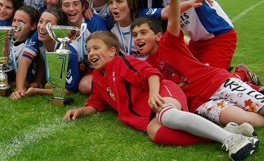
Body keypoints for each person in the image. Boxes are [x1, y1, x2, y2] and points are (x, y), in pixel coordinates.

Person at [63, 31, 258, 160]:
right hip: (146, 114)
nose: (91, 53)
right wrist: (80, 110)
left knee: (166, 114)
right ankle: (229, 133)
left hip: (164, 90)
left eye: (96, 48)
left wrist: (154, 94)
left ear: (113, 51)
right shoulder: (97, 77)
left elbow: (151, 73)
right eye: (88, 50)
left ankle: (231, 141)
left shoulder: (121, 62)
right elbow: (96, 102)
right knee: (156, 133)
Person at [130, 0, 264, 131]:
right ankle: (244, 80)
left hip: (217, 82)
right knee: (247, 120)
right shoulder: (148, 65)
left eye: (143, 32)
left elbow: (172, 17)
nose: (138, 38)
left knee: (261, 108)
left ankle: (244, 81)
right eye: (135, 35)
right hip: (201, 103)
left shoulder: (169, 41)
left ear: (158, 35)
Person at [11, 8, 80, 99]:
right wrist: (19, 89)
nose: (42, 27)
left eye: (48, 24)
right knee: (48, 84)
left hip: (80, 78)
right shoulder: (38, 35)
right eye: (41, 21)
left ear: (59, 29)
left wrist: (37, 91)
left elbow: (69, 90)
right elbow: (24, 62)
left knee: (50, 85)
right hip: (46, 76)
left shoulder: (68, 52)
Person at [60, 0, 109, 94]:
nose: (71, 9)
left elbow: (107, 54)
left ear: (83, 7)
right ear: (61, 8)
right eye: (66, 5)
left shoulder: (94, 22)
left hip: (99, 69)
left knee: (85, 86)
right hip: (79, 71)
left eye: (75, 4)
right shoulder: (61, 26)